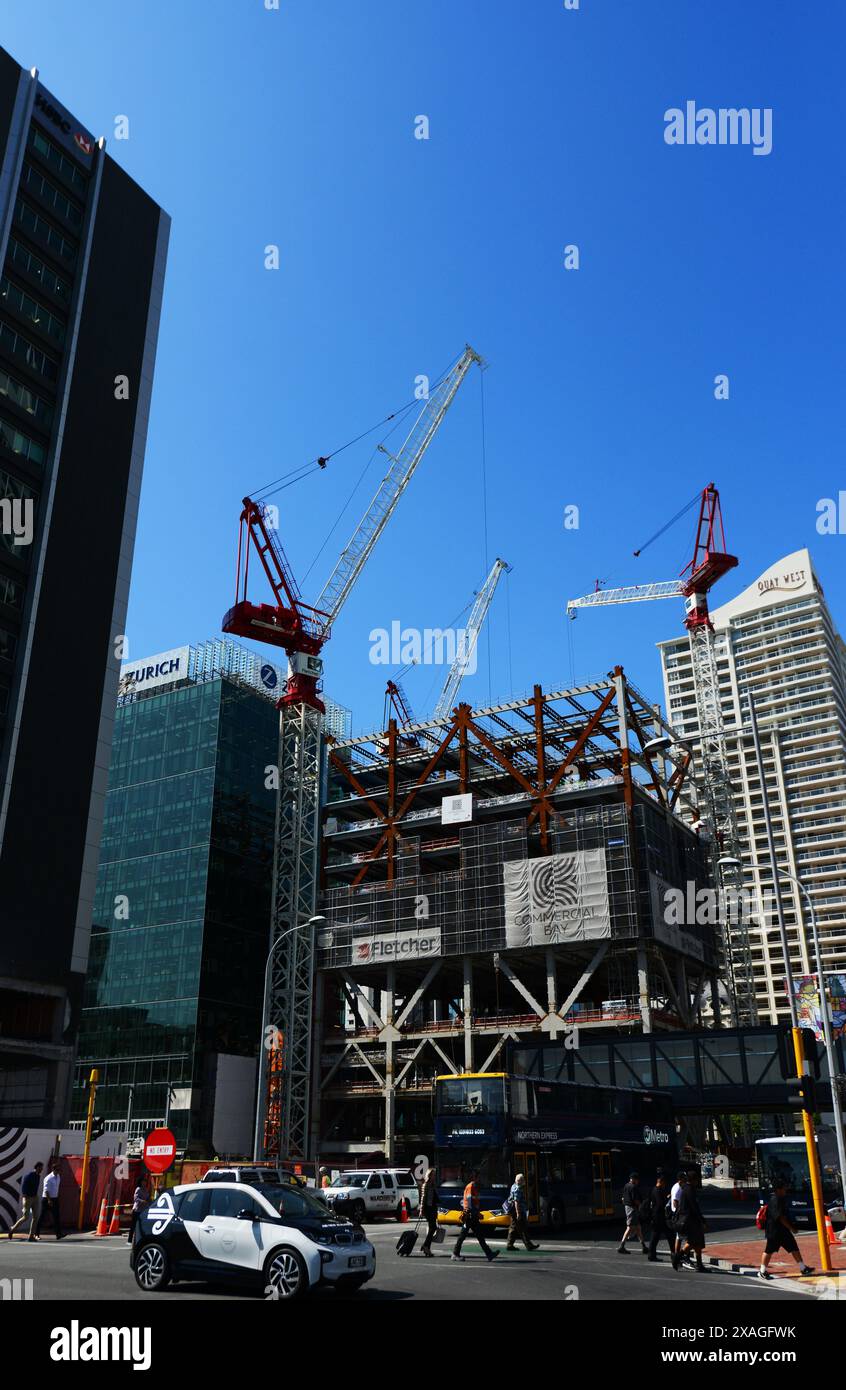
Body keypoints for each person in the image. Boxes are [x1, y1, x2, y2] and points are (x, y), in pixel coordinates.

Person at [758, 1181, 814, 1280]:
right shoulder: (776, 1200)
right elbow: (780, 1217)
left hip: (782, 1231)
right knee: (769, 1250)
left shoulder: (779, 1198)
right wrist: (791, 1228)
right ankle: (762, 1271)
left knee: (793, 1248)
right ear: (778, 1189)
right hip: (775, 1231)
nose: (786, 1190)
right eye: (784, 1188)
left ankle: (803, 1268)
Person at [452, 1170, 498, 1263]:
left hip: (473, 1215)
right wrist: (476, 1213)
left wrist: (477, 1213)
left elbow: (474, 1202)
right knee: (462, 1235)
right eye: (478, 1177)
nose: (479, 1179)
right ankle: (455, 1254)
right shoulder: (471, 1186)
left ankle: (489, 1254)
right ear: (474, 1178)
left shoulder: (474, 1187)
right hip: (469, 1215)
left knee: (479, 1235)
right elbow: (469, 1203)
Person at [673, 1173, 707, 1271]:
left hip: (689, 1219)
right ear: (693, 1180)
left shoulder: (685, 1188)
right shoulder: (690, 1190)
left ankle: (699, 1265)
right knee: (693, 1242)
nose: (697, 1182)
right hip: (691, 1220)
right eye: (697, 1179)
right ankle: (677, 1257)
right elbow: (694, 1206)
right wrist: (702, 1220)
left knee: (698, 1243)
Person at [7, 1161, 43, 1241]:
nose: (42, 1169)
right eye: (41, 1168)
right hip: (28, 1198)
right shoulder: (30, 1175)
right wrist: (25, 1195)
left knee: (35, 1217)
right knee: (25, 1217)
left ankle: (31, 1236)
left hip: (35, 1197)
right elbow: (24, 1185)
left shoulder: (38, 1176)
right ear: (37, 1167)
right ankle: (13, 1228)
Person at [505, 1173, 539, 1251]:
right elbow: (516, 1202)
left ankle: (510, 1245)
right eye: (523, 1180)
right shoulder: (518, 1189)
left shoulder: (513, 1186)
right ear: (520, 1181)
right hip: (518, 1211)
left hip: (514, 1211)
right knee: (523, 1228)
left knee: (514, 1227)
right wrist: (518, 1213)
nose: (524, 1182)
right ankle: (528, 1245)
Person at [645, 1172, 674, 1263]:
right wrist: (667, 1198)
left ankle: (652, 1255)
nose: (665, 1185)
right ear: (660, 1182)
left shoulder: (654, 1189)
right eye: (664, 1183)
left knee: (655, 1237)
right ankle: (674, 1254)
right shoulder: (657, 1191)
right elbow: (660, 1203)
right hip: (659, 1217)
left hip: (656, 1217)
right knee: (668, 1236)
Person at [617, 1171, 648, 1254]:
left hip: (627, 1207)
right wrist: (641, 1207)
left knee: (638, 1228)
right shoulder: (633, 1187)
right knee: (630, 1227)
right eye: (637, 1180)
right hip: (632, 1209)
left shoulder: (626, 1185)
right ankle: (621, 1246)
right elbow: (635, 1200)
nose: (638, 1182)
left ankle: (644, 1246)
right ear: (634, 1179)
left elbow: (623, 1198)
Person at [38, 1161, 63, 1240]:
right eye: (58, 1170)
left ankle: (58, 1234)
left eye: (59, 1170)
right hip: (47, 1199)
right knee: (42, 1217)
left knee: (56, 1216)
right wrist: (49, 1200)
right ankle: (36, 1233)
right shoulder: (48, 1178)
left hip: (55, 1198)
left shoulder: (58, 1176)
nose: (59, 1171)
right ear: (54, 1170)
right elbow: (46, 1190)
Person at [420, 1168, 440, 1256]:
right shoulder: (426, 1185)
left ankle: (426, 1246)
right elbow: (423, 1198)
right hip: (428, 1209)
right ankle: (426, 1246)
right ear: (429, 1175)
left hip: (433, 1208)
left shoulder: (433, 1184)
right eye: (433, 1175)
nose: (434, 1176)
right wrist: (421, 1210)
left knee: (433, 1228)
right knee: (432, 1228)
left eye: (435, 1175)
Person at [127, 1175, 151, 1245]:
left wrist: (149, 1201)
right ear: (140, 1182)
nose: (144, 1183)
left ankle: (139, 1240)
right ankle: (129, 1240)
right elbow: (136, 1198)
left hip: (144, 1210)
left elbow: (148, 1197)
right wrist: (142, 1201)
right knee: (133, 1225)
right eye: (143, 1182)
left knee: (142, 1226)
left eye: (145, 1182)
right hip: (137, 1210)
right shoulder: (138, 1189)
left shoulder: (146, 1189)